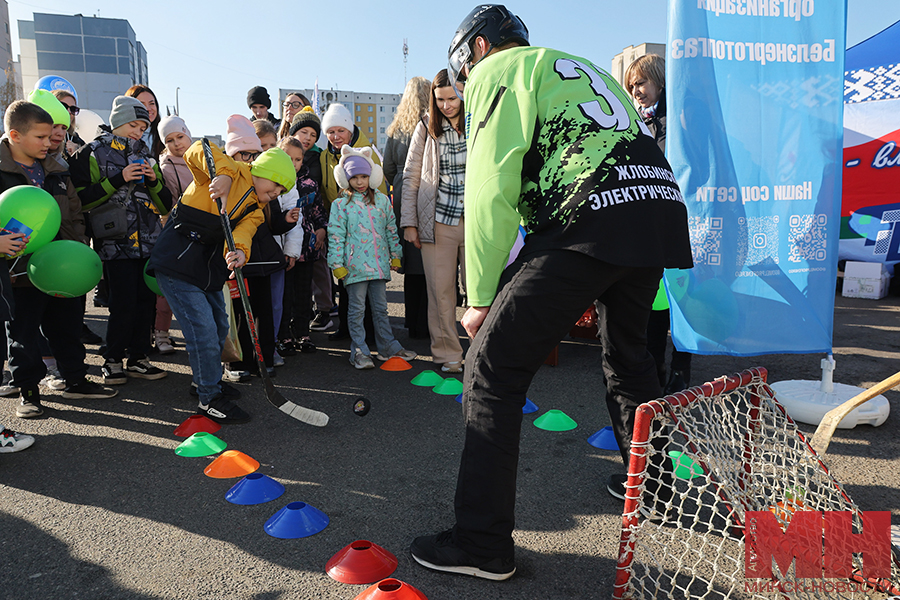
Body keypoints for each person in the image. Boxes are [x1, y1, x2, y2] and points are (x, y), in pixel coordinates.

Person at [409, 4, 693, 581]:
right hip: (653, 209)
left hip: (587, 214)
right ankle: (661, 489)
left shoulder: (497, 70)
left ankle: (481, 542)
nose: (462, 86)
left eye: (462, 72)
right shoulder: (572, 64)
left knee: (490, 371)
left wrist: (481, 297)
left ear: (478, 50)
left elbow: (491, 184)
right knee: (630, 358)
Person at [148, 142, 296, 423]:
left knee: (219, 326)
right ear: (261, 170)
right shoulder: (227, 172)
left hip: (209, 270)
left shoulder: (256, 209)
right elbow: (198, 149)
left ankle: (204, 380)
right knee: (202, 329)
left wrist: (240, 251)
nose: (277, 193)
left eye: (282, 191)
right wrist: (224, 177)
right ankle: (209, 398)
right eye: (277, 184)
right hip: (177, 263)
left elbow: (245, 231)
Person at [3, 100, 118, 418]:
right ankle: (28, 392)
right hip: (19, 271)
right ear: (15, 135)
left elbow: (75, 212)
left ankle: (76, 381)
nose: (50, 140)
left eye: (53, 133)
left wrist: (78, 244)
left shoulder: (56, 169)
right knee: (23, 335)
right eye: (41, 136)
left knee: (66, 326)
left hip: (64, 265)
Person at [71, 96, 173, 387]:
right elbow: (81, 199)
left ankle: (139, 356)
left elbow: (166, 206)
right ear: (117, 122)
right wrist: (119, 178)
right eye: (133, 124)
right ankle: (112, 359)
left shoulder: (149, 155)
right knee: (123, 303)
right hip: (114, 242)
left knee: (145, 302)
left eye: (143, 126)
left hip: (148, 241)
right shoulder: (92, 152)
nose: (138, 131)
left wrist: (153, 181)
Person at [624, 53, 693, 395]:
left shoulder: (678, 119)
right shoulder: (634, 122)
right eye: (632, 85)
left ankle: (682, 366)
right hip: (646, 225)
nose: (637, 90)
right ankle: (655, 364)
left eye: (642, 82)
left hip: (678, 222)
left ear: (660, 81)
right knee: (653, 297)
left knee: (680, 297)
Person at [401, 70, 468, 373]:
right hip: (438, 221)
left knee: (481, 291)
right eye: (440, 99)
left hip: (477, 220)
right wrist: (409, 223)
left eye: (452, 98)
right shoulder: (426, 128)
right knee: (440, 292)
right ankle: (447, 354)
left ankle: (483, 351)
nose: (446, 105)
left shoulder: (479, 121)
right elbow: (411, 176)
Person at [326, 146, 415, 369]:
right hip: (354, 268)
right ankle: (359, 350)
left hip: (378, 265)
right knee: (356, 310)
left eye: (364, 176)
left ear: (371, 176)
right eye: (354, 177)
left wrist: (396, 254)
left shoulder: (383, 201)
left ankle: (387, 346)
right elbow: (335, 235)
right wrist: (336, 263)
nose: (360, 182)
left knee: (380, 308)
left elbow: (390, 229)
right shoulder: (340, 205)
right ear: (346, 179)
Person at [318, 103, 388, 341]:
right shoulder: (325, 155)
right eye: (330, 132)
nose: (335, 136)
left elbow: (381, 188)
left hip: (365, 229)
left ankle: (369, 333)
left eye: (340, 131)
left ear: (350, 129)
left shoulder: (365, 151)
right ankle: (347, 329)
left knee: (367, 287)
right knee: (345, 282)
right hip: (341, 224)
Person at [383, 76, 431, 340]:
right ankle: (427, 323)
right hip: (428, 187)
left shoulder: (396, 128)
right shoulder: (433, 123)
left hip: (403, 189)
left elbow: (388, 168)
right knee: (430, 258)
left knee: (412, 262)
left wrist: (400, 183)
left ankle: (411, 323)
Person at [277, 132, 326, 355]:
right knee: (285, 293)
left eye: (298, 159)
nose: (294, 163)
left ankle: (302, 333)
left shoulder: (309, 183)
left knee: (304, 293)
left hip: (307, 248)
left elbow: (318, 211)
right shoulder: (276, 181)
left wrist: (321, 229)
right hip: (284, 249)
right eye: (289, 158)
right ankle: (284, 335)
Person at [155, 115, 194, 355]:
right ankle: (161, 333)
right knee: (167, 289)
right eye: (170, 140)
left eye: (180, 136)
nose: (177, 143)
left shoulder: (202, 159)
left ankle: (194, 335)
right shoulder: (166, 167)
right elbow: (166, 205)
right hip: (176, 232)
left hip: (203, 233)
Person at [125, 85, 164, 160]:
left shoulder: (163, 133)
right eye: (141, 104)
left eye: (152, 103)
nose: (148, 109)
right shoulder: (121, 135)